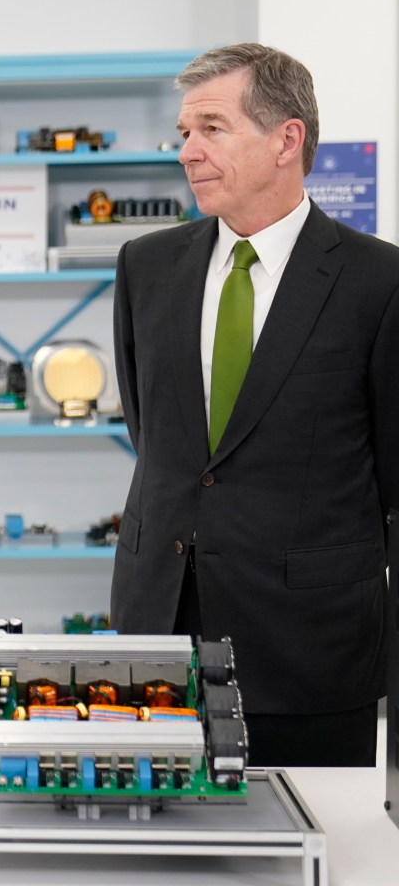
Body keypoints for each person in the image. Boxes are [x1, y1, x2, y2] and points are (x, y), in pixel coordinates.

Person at [110, 43, 395, 766]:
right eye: (183, 134)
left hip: (310, 647)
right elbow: (159, 441)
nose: (188, 152)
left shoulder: (377, 282)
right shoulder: (145, 268)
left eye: (212, 128)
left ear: (286, 139)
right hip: (160, 629)